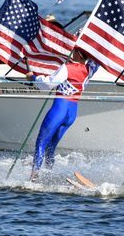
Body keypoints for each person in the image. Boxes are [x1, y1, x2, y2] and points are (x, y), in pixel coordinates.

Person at [29, 48, 98, 180]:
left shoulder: (67, 68)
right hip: (72, 113)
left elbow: (48, 84)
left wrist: (32, 77)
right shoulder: (90, 69)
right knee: (51, 148)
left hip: (59, 109)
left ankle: (33, 177)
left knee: (41, 144)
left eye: (75, 50)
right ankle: (48, 176)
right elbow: (98, 59)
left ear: (77, 54)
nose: (72, 52)